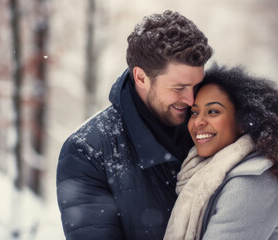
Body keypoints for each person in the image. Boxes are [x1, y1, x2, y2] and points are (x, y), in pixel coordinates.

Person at [56, 10, 213, 239]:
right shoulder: (87, 152)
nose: (191, 100)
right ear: (141, 77)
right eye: (178, 88)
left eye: (196, 85)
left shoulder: (213, 126)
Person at [164, 64, 278, 240]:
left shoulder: (251, 185)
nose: (198, 122)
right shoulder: (205, 173)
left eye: (213, 111)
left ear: (243, 123)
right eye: (194, 113)